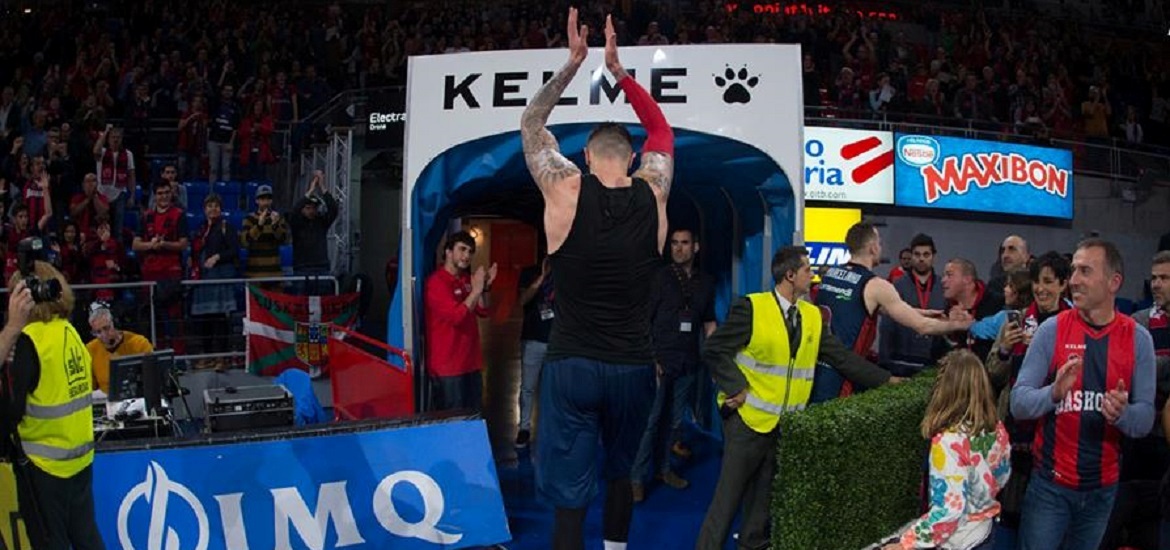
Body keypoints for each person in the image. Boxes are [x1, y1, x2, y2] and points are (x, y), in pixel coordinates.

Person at [520, 10, 673, 549]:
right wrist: (620, 72)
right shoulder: (654, 192)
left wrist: (574, 64)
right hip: (633, 366)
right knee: (620, 473)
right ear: (633, 159)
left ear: (584, 156)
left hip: (573, 365)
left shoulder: (564, 189)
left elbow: (532, 125)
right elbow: (661, 130)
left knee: (570, 489)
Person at [696, 246, 902, 550]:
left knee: (762, 505)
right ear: (790, 275)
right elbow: (714, 350)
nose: (813, 275)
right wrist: (736, 386)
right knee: (726, 502)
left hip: (783, 426)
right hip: (747, 422)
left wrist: (886, 380)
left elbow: (842, 358)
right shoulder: (752, 308)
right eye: (807, 269)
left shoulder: (812, 316)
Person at [1011, 238, 1156, 550]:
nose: (1074, 279)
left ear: (1114, 282)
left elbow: (1145, 419)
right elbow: (1018, 403)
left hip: (1103, 491)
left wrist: (1123, 414)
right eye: (1074, 270)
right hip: (1049, 487)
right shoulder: (1052, 330)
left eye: (1085, 271)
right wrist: (1053, 393)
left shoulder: (1138, 339)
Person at [1, 260, 105, 549]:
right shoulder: (69, 331)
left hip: (43, 466)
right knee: (87, 539)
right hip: (79, 458)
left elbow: (10, 411)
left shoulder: (28, 341)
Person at [813, 222, 973, 402]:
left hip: (817, 373)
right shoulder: (876, 285)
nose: (880, 247)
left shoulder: (830, 275)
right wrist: (962, 325)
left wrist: (925, 312)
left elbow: (879, 308)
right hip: (842, 380)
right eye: (879, 243)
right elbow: (923, 327)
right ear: (873, 248)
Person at [880, 350, 1011, 550]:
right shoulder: (996, 428)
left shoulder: (948, 442)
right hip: (984, 531)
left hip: (958, 541)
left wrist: (905, 544)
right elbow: (1002, 474)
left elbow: (949, 510)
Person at [631, 227, 716, 501]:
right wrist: (651, 357)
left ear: (696, 247)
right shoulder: (660, 278)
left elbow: (708, 322)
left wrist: (715, 357)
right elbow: (644, 319)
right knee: (652, 420)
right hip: (660, 360)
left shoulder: (706, 283)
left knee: (674, 421)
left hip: (688, 361)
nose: (678, 248)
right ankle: (636, 478)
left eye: (684, 243)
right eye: (674, 243)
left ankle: (663, 469)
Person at [423, 231, 496, 412]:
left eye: (470, 251)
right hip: (448, 368)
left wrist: (485, 288)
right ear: (448, 252)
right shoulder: (436, 282)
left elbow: (483, 311)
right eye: (462, 249)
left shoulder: (465, 280)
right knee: (451, 419)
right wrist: (476, 290)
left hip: (471, 364)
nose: (467, 256)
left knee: (473, 417)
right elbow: (456, 317)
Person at [880, 233, 948, 376]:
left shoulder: (944, 287)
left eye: (926, 254)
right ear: (911, 256)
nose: (921, 258)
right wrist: (884, 362)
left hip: (934, 362)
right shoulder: (897, 286)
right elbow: (887, 326)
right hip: (901, 362)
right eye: (917, 254)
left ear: (933, 257)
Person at [516, 255, 554, 449]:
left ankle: (550, 429)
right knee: (528, 387)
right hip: (533, 339)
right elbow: (523, 300)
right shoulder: (529, 272)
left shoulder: (565, 272)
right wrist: (542, 278)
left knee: (553, 388)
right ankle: (524, 428)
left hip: (557, 341)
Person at [86, 302, 154, 393]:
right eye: (98, 332)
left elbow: (153, 378)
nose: (104, 335)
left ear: (115, 324)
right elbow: (90, 387)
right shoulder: (90, 349)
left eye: (106, 328)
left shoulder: (139, 343)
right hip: (105, 398)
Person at [289, 170, 338, 295]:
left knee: (322, 301)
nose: (311, 211)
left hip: (321, 267)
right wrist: (310, 191)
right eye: (308, 208)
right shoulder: (296, 222)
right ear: (303, 209)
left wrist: (322, 187)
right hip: (302, 268)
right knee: (301, 301)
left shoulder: (321, 222)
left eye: (314, 208)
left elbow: (333, 209)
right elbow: (294, 211)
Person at [240, 184, 290, 280]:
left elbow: (284, 240)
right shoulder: (249, 218)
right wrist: (259, 226)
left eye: (268, 199)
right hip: (254, 274)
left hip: (274, 273)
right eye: (262, 199)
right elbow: (245, 242)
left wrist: (275, 225)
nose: (266, 202)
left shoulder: (278, 218)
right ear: (257, 201)